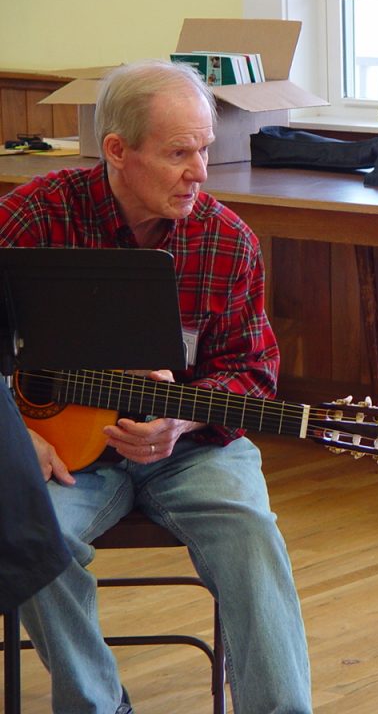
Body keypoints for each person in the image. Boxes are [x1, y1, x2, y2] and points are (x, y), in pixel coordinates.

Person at [0, 60, 313, 713]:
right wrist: (16, 434)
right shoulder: (33, 220)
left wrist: (183, 421)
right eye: (178, 153)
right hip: (59, 455)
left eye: (204, 148)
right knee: (30, 536)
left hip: (191, 448)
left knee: (252, 534)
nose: (200, 171)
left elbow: (253, 373)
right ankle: (99, 705)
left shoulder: (227, 240)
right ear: (117, 151)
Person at [0, 383, 70, 612]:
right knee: (37, 542)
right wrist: (19, 434)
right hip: (59, 465)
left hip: (179, 458)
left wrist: (184, 422)